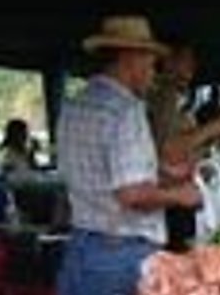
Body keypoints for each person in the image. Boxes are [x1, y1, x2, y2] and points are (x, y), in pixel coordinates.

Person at [56, 15, 201, 295]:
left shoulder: (74, 106)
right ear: (129, 57)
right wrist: (180, 195)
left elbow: (106, 171)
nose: (153, 70)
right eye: (149, 60)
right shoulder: (125, 110)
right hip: (121, 255)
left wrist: (161, 174)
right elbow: (131, 194)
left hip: (80, 248)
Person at [146, 44, 220, 252]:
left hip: (176, 192)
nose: (192, 68)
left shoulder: (173, 96)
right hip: (171, 197)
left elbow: (180, 141)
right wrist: (213, 128)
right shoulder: (164, 95)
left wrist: (206, 145)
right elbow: (167, 149)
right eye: (187, 61)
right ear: (168, 61)